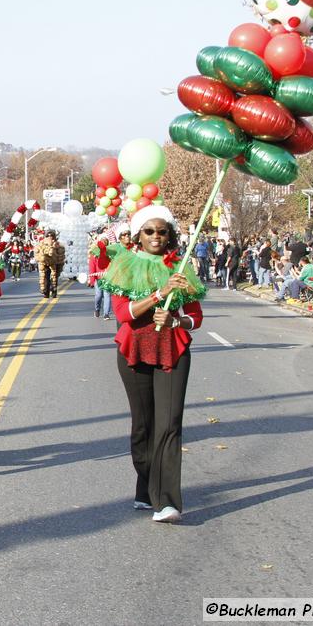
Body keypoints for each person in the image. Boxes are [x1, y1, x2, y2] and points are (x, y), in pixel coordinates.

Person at [97, 205, 205, 524]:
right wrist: (160, 293)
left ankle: (166, 501)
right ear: (138, 235)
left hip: (173, 350)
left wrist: (177, 320)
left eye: (162, 231)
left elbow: (196, 317)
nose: (156, 236)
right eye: (149, 231)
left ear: (170, 235)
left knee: (169, 424)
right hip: (134, 351)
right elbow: (123, 314)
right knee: (143, 427)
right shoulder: (125, 265)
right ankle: (145, 487)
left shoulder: (182, 267)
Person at [35, 230, 62, 298]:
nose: (50, 237)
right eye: (48, 236)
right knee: (45, 277)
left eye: (51, 236)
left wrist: (59, 260)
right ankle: (45, 291)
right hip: (45, 263)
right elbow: (37, 252)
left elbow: (61, 253)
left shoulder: (57, 244)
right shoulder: (41, 243)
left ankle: (54, 290)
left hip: (54, 263)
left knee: (54, 277)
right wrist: (40, 258)